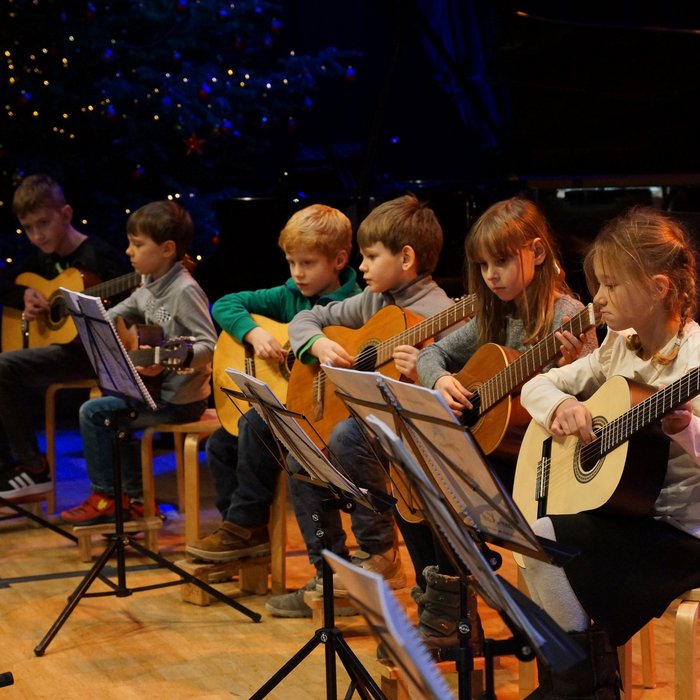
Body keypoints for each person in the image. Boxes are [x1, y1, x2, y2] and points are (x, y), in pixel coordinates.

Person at [517, 206, 700, 700]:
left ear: (659, 287)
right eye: (597, 284)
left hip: (682, 533)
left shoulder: (695, 359)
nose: (596, 299)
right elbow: (536, 386)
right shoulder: (619, 346)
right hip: (631, 515)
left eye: (611, 285)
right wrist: (561, 405)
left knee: (545, 542)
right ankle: (586, 684)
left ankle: (577, 685)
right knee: (532, 535)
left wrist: (684, 429)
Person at [405, 196, 597, 658]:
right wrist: (443, 378)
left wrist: (578, 368)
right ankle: (445, 603)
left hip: (544, 464)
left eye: (502, 261)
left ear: (536, 251)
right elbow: (431, 354)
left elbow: (596, 400)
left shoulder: (567, 316)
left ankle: (451, 612)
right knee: (412, 477)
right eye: (483, 265)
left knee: (439, 476)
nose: (491, 274)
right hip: (497, 454)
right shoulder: (497, 312)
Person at [265, 192, 458, 618]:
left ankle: (380, 554)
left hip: (410, 436)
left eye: (370, 256)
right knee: (302, 454)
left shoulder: (442, 314)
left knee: (348, 434)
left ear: (406, 258)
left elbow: (450, 392)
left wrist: (422, 373)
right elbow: (307, 318)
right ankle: (328, 573)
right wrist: (319, 343)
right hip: (364, 427)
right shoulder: (374, 300)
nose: (362, 267)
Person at [185, 204, 361, 562]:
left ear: (339, 260)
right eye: (291, 262)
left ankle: (245, 525)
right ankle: (243, 535)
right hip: (285, 416)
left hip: (321, 418)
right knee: (219, 444)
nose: (297, 273)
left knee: (254, 419)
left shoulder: (355, 304)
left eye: (307, 263)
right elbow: (226, 304)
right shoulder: (287, 296)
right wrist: (254, 333)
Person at [59, 200, 216, 524]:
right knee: (107, 411)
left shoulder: (184, 290)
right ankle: (131, 499)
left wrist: (169, 359)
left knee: (95, 413)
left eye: (138, 244)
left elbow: (209, 345)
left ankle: (113, 496)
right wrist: (93, 320)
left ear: (167, 249)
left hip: (181, 400)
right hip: (158, 393)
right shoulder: (149, 282)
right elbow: (122, 311)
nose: (128, 251)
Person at [0, 173, 128, 499]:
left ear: (66, 215)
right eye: (27, 228)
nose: (37, 235)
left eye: (43, 223)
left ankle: (34, 468)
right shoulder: (42, 259)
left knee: (4, 368)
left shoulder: (98, 256)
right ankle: (9, 466)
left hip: (94, 354)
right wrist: (24, 295)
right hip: (63, 350)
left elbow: (131, 304)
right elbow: (6, 284)